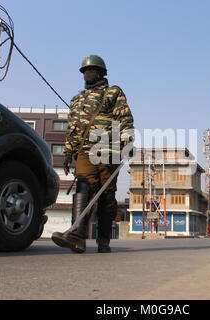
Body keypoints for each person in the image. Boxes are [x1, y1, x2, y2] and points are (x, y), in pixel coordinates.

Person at [51, 55, 134, 253]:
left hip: (107, 148)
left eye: (92, 69)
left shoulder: (113, 92)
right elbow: (72, 128)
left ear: (102, 73)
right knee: (83, 188)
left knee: (106, 195)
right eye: (85, 70)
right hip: (84, 151)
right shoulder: (77, 99)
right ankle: (77, 235)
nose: (87, 73)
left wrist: (127, 142)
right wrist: (68, 153)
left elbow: (125, 118)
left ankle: (103, 240)